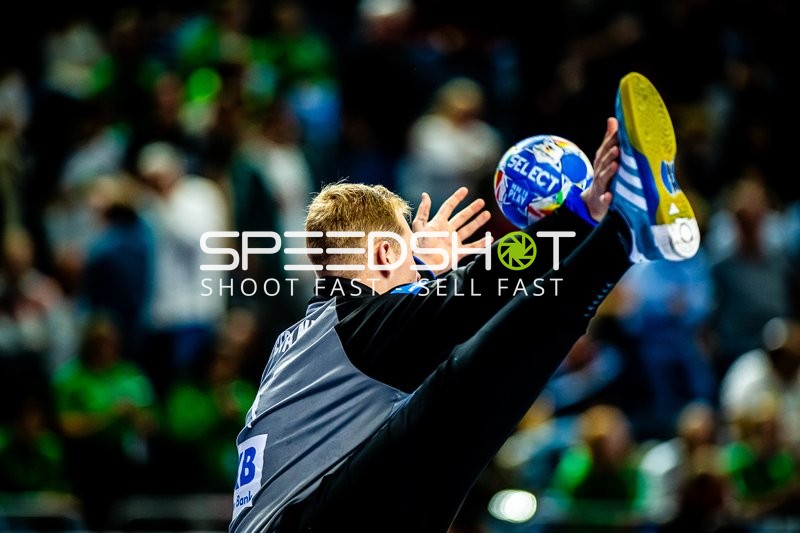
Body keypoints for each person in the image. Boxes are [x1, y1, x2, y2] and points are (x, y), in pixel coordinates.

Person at [230, 72, 701, 532]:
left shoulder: (317, 338)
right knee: (461, 382)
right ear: (381, 252)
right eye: (407, 253)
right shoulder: (351, 325)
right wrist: (581, 214)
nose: (418, 268)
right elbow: (478, 291)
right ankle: (623, 232)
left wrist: (427, 268)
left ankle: (623, 236)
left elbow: (437, 306)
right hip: (306, 522)